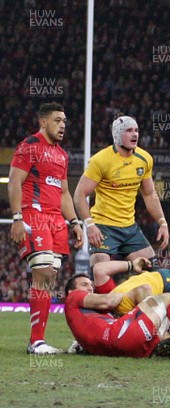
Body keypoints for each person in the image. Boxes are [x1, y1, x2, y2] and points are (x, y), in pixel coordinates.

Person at [8, 102, 84, 354]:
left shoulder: (62, 154)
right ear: (43, 121)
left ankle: (38, 339)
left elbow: (63, 192)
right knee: (41, 272)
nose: (62, 125)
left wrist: (74, 222)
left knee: (50, 276)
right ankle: (35, 341)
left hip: (56, 222)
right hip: (34, 216)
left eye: (64, 121)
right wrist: (17, 217)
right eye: (57, 120)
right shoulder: (29, 147)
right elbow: (14, 181)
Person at [64, 274, 170, 360]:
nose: (90, 288)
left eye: (91, 285)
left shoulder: (86, 317)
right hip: (121, 337)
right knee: (169, 298)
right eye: (84, 285)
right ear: (71, 291)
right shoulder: (73, 298)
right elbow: (109, 300)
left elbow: (93, 333)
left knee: (165, 323)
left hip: (124, 347)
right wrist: (121, 294)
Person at [73, 114, 169, 268]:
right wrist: (90, 225)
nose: (135, 134)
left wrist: (162, 222)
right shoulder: (100, 160)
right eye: (129, 130)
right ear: (117, 134)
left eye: (136, 130)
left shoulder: (144, 159)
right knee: (100, 271)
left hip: (129, 227)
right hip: (103, 227)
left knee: (153, 271)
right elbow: (79, 195)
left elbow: (150, 194)